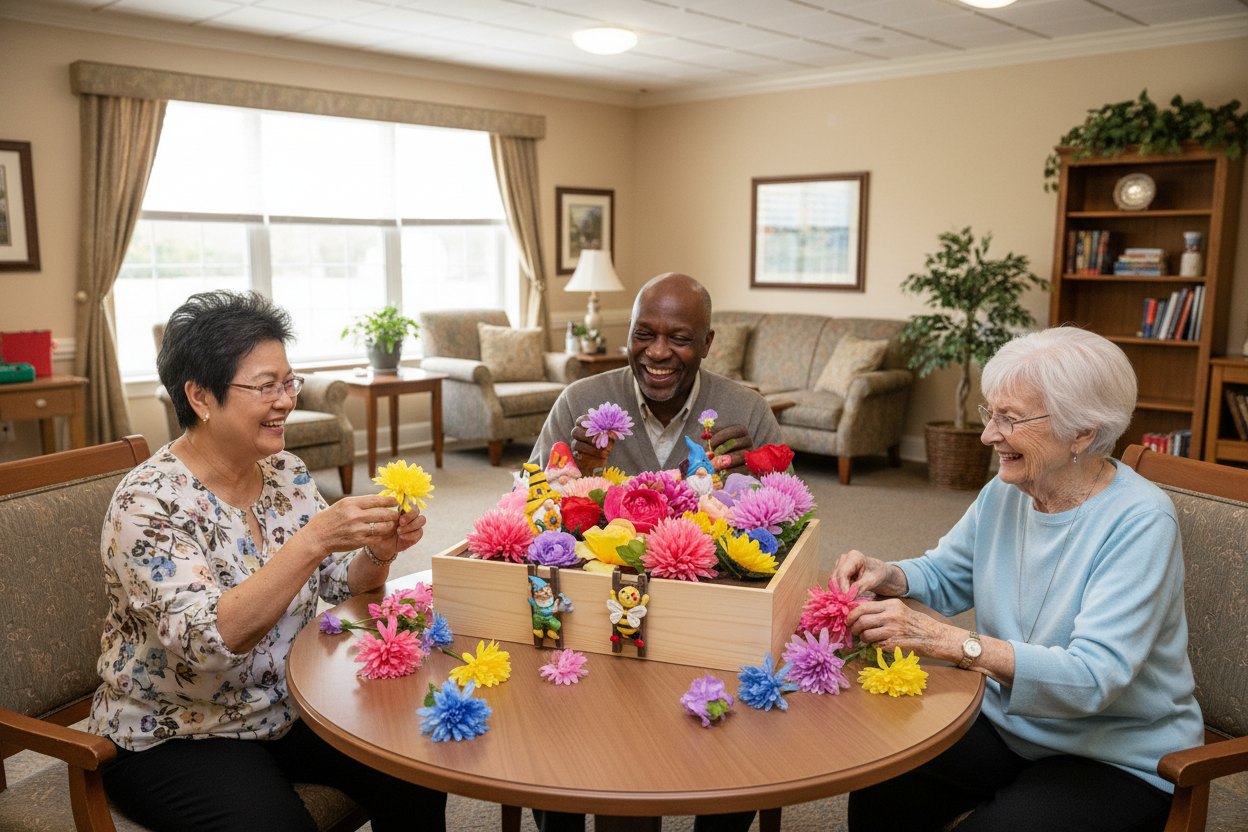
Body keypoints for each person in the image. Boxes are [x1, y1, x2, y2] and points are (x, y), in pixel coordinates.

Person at [87, 291, 447, 832]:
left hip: (286, 702)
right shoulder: (148, 503)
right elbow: (208, 642)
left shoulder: (286, 473)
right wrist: (312, 540)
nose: (285, 400)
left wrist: (376, 553)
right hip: (179, 730)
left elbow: (338, 586)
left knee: (415, 770)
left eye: (288, 382)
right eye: (265, 386)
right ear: (201, 396)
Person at [829, 327, 1200, 831]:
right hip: (1007, 721)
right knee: (880, 785)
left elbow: (1093, 679)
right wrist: (888, 573)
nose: (988, 435)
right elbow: (946, 574)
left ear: (1083, 432)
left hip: (1113, 752)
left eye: (1010, 418)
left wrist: (953, 642)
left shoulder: (1141, 522)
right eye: (991, 413)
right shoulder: (1006, 491)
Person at [530, 272, 782, 477]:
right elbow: (523, 505)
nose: (657, 352)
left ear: (706, 343)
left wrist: (753, 479)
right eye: (643, 334)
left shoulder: (749, 411)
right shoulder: (578, 402)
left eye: (679, 338)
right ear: (629, 332)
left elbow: (795, 521)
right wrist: (573, 473)